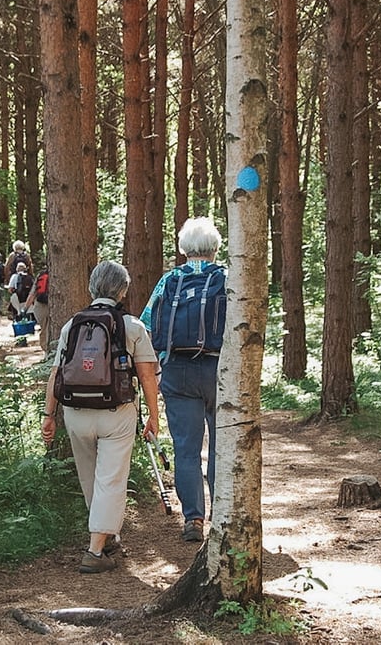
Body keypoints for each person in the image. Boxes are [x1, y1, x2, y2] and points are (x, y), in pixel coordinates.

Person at [41, 260, 160, 573]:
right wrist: (153, 415)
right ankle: (95, 551)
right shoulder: (132, 326)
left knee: (90, 478)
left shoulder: (72, 324)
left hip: (76, 413)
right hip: (116, 412)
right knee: (110, 479)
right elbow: (148, 376)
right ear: (122, 291)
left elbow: (56, 373)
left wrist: (48, 415)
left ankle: (106, 537)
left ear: (92, 287)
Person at [140, 217, 225, 543]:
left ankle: (193, 520)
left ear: (184, 248)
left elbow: (147, 325)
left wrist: (159, 365)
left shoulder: (169, 281)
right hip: (219, 371)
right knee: (221, 447)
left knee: (186, 450)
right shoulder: (226, 277)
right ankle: (223, 515)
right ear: (215, 248)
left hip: (178, 372)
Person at [25, 268, 50, 352]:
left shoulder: (41, 275)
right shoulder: (58, 274)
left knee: (44, 329)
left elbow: (32, 294)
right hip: (50, 305)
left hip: (40, 307)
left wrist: (25, 309)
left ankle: (46, 351)